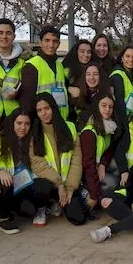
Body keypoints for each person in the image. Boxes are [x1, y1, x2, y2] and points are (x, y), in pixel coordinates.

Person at [28, 93, 88, 226]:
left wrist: (70, 188)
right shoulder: (34, 132)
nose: (44, 113)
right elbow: (38, 164)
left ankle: (58, 202)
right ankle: (43, 207)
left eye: (47, 108)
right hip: (49, 182)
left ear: (53, 108)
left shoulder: (70, 127)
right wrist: (59, 184)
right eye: (39, 110)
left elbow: (76, 161)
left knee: (78, 218)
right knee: (41, 187)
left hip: (67, 183)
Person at [79, 93, 125, 211]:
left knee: (117, 165)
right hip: (85, 174)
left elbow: (109, 149)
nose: (107, 109)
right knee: (112, 182)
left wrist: (103, 164)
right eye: (103, 106)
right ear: (97, 107)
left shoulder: (108, 127)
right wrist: (95, 196)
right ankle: (92, 195)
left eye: (110, 107)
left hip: (97, 166)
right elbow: (88, 166)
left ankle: (101, 193)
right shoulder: (89, 132)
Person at [18, 25, 68, 119]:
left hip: (60, 120)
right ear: (40, 43)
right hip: (41, 123)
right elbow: (26, 102)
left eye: (55, 41)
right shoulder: (31, 66)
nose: (51, 45)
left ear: (59, 44)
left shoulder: (59, 65)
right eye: (47, 40)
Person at [0, 18, 29, 117]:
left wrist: (18, 94)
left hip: (15, 117)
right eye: (0, 33)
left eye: (8, 33)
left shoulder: (25, 60)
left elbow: (29, 89)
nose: (4, 36)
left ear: (14, 36)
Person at [109, 46, 133, 126]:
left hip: (131, 121)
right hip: (121, 122)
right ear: (122, 58)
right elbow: (119, 104)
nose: (131, 60)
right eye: (127, 56)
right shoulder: (117, 76)